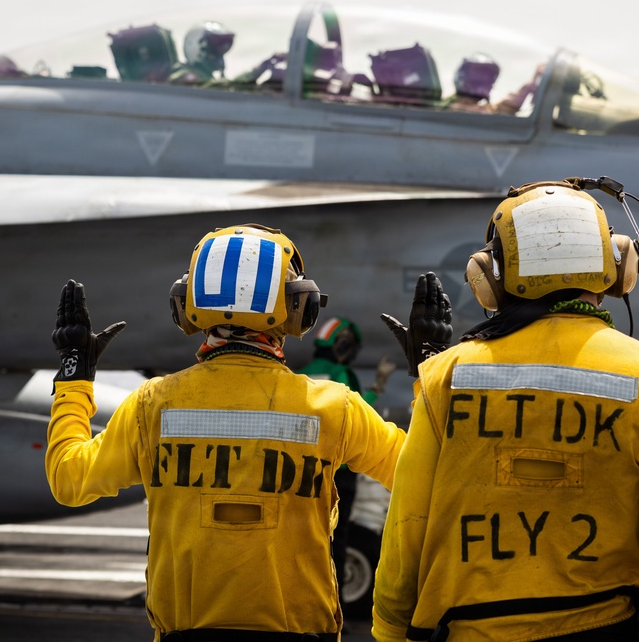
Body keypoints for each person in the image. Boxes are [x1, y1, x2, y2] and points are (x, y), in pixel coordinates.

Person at [372, 180, 639, 641]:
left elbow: (407, 529)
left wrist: (388, 630)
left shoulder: (443, 377)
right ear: (618, 267)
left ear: (487, 277)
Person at [45, 223, 406, 640]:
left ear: (186, 305)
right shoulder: (334, 407)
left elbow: (68, 479)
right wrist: (427, 373)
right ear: (298, 307)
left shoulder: (152, 405)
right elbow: (419, 474)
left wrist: (75, 377)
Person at [298, 317, 397, 615]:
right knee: (335, 542)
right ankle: (332, 609)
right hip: (338, 473)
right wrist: (378, 385)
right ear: (342, 346)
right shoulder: (342, 373)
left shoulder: (300, 375)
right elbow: (356, 413)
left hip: (305, 468)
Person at [169, 21, 237, 85]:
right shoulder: (184, 76)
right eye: (212, 54)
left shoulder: (207, 78)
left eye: (219, 54)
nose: (217, 59)